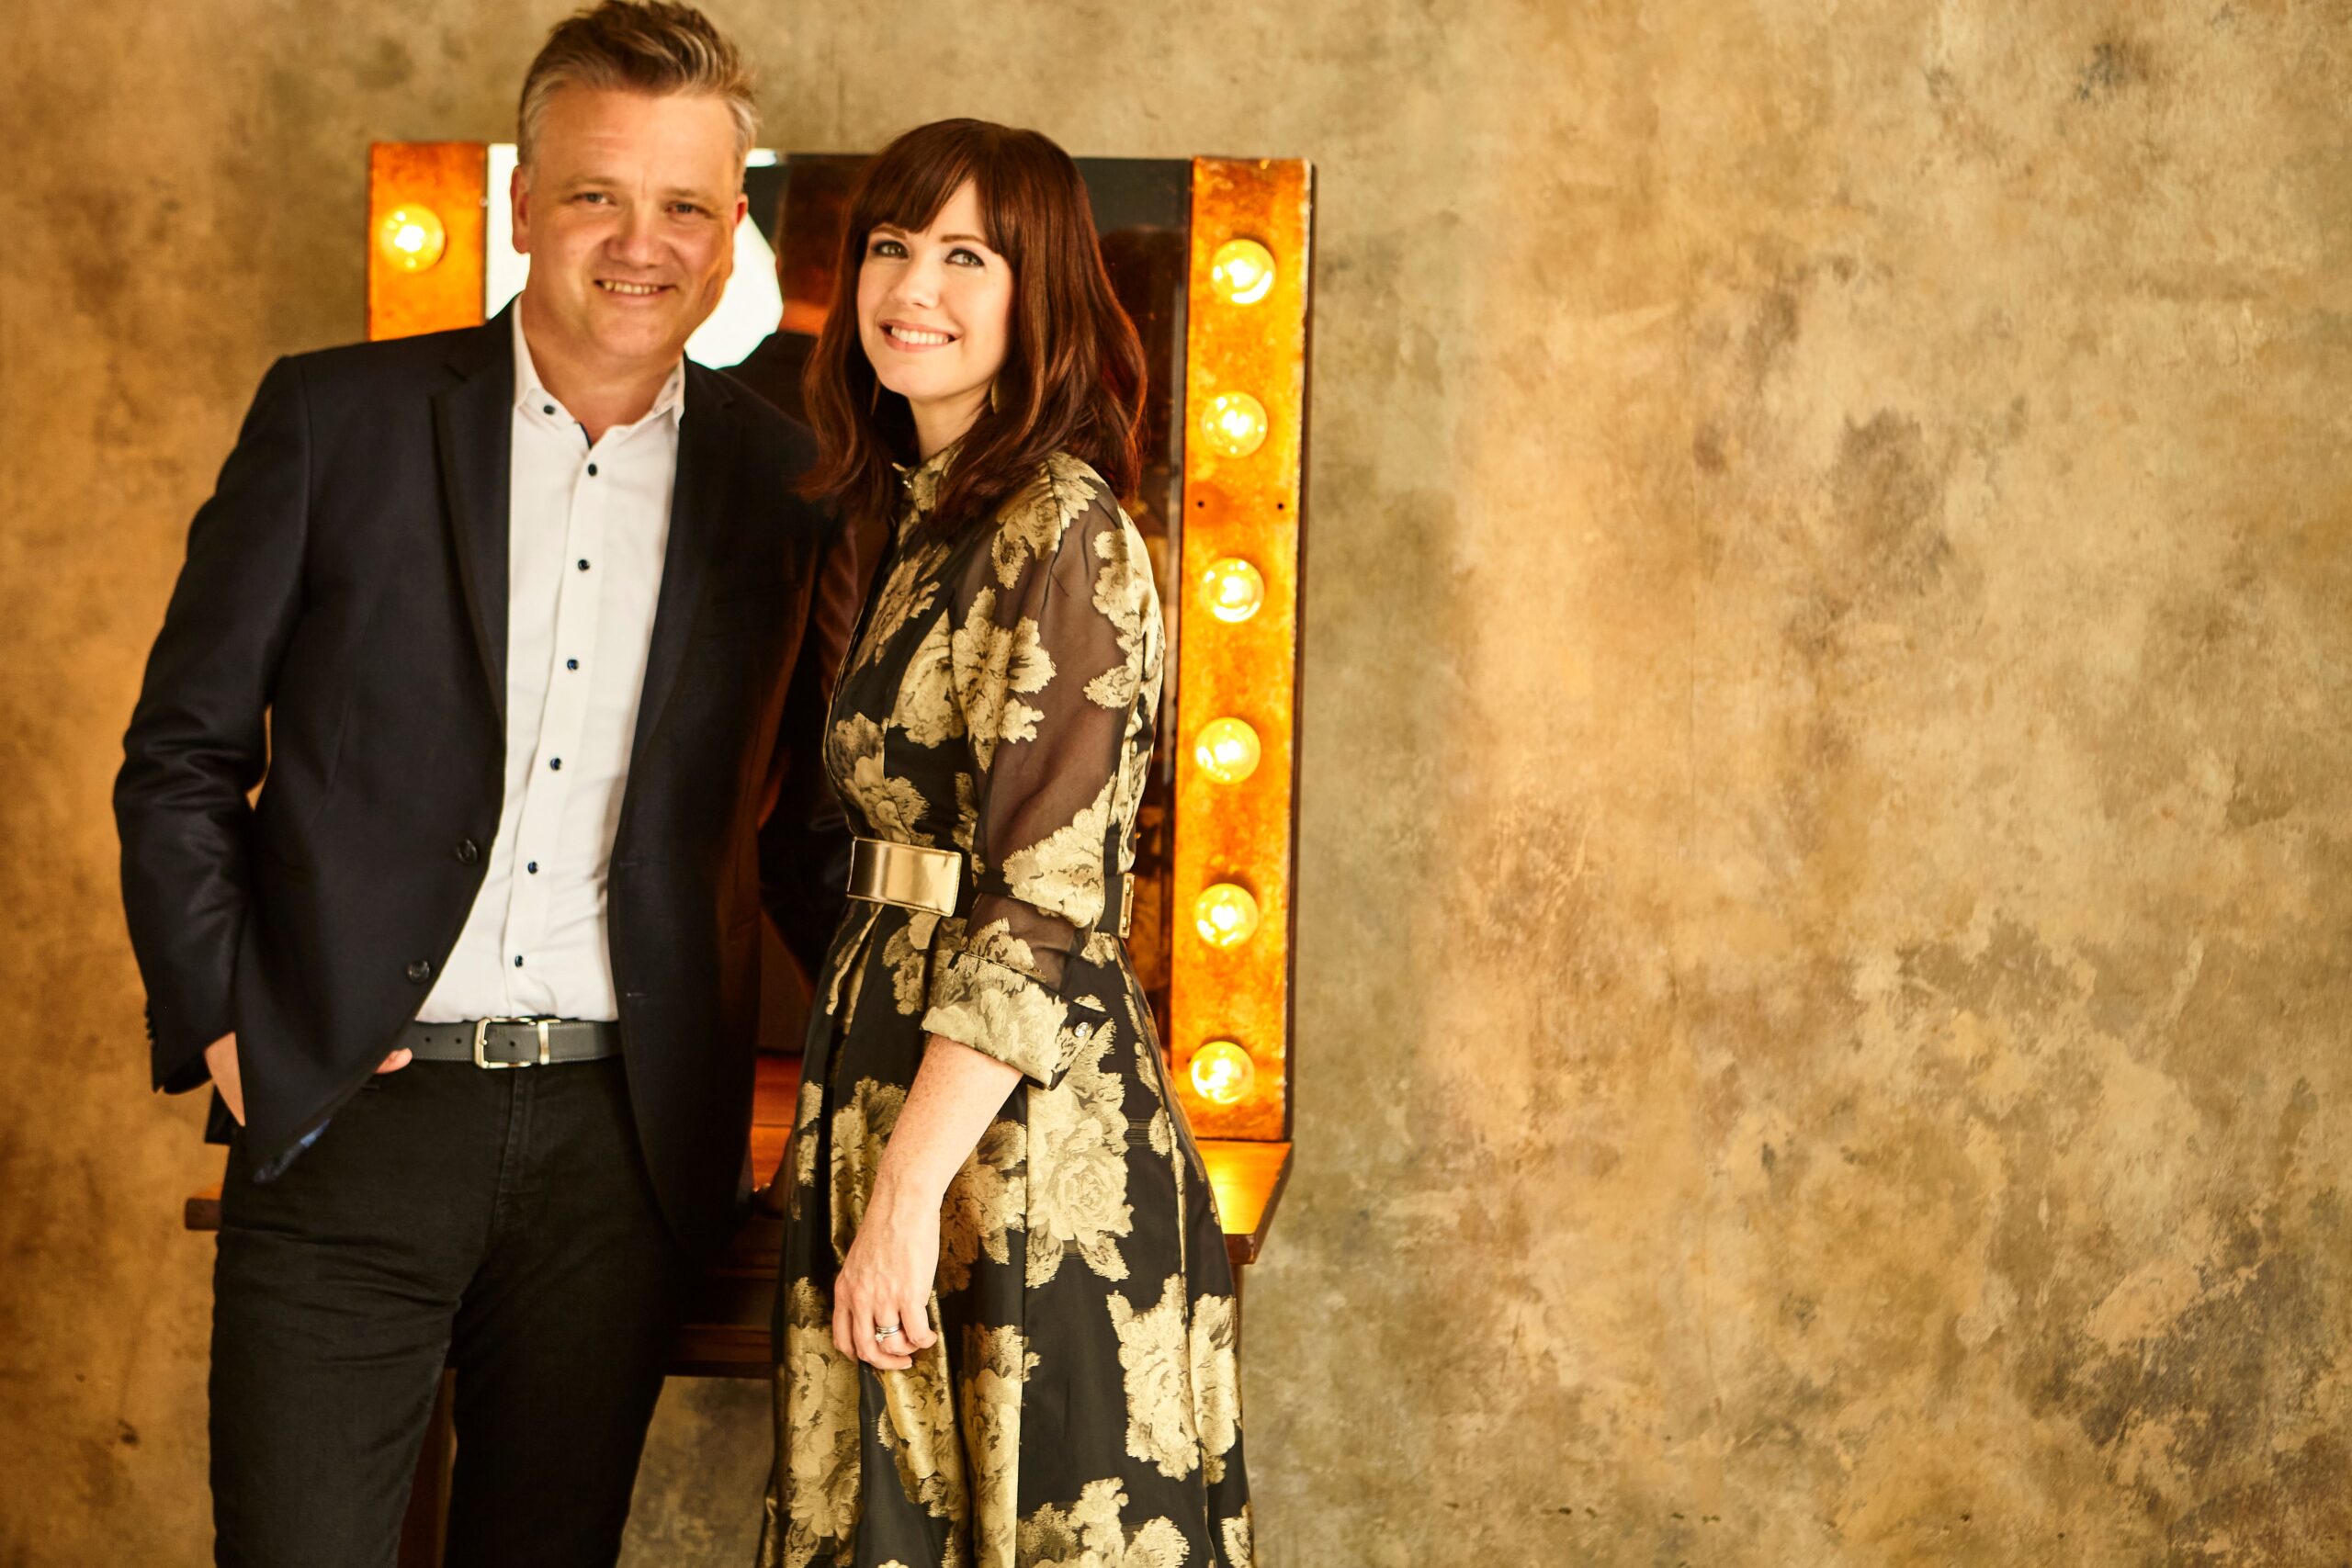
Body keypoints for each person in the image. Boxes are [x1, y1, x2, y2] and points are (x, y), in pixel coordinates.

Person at [112, 5, 851, 1562]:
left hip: (623, 1149)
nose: (638, 244)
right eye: (597, 193)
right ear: (523, 202)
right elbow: (180, 756)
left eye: (686, 207)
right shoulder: (335, 421)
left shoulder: (786, 489)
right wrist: (231, 1024)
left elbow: (797, 829)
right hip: (352, 1116)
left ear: (730, 238)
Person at [758, 118, 1253, 1568]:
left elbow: (1042, 905)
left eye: (967, 254)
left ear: (1038, 293)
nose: (915, 284)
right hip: (893, 1083)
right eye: (893, 248)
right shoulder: (918, 517)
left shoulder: (1066, 524)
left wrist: (907, 1198)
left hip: (1016, 1142)